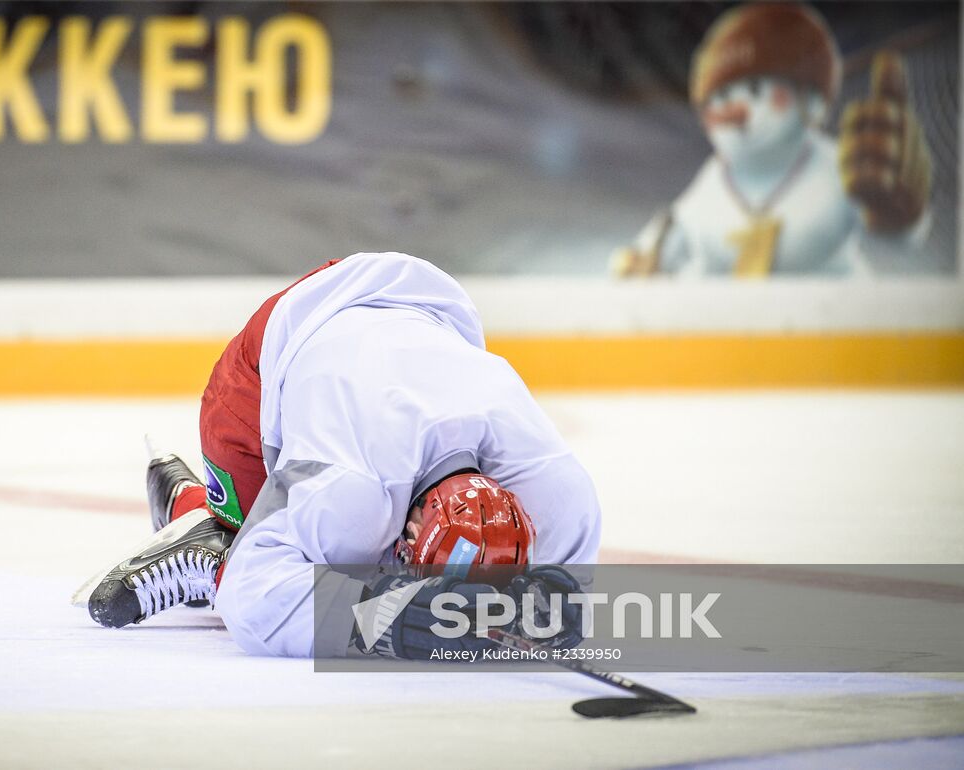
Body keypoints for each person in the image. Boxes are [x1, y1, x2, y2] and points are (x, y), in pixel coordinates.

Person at [82, 252, 602, 658]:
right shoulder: (352, 492)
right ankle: (205, 532)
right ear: (412, 527)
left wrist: (553, 605)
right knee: (335, 556)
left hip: (407, 308)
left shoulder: (558, 497)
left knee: (355, 560)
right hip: (268, 362)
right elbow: (254, 599)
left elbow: (564, 591)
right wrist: (386, 620)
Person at [610, 2, 932, 278]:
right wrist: (640, 260)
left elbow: (898, 239)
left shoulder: (841, 166)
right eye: (718, 98)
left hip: (829, 333)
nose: (731, 111)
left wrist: (899, 213)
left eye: (755, 91)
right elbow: (673, 231)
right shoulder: (715, 179)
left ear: (812, 100)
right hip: (734, 337)